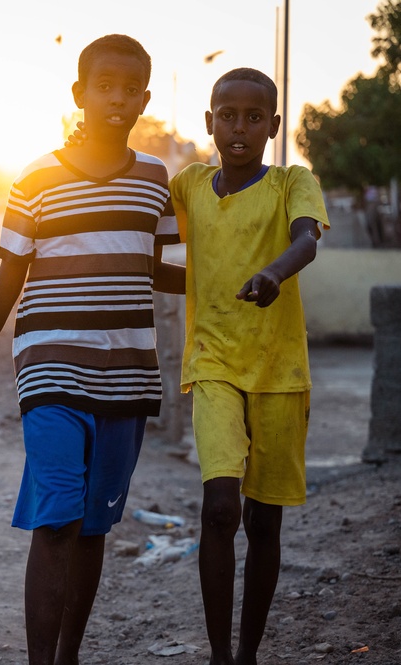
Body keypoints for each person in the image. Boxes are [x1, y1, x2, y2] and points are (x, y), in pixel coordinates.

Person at [0, 34, 184, 664]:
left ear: (145, 100)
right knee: (56, 521)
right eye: (105, 86)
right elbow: (7, 278)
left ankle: (68, 656)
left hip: (127, 374)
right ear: (80, 94)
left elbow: (173, 271)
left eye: (131, 89)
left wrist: (259, 259)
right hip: (49, 367)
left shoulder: (158, 182)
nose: (117, 98)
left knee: (94, 527)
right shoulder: (36, 177)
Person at [169, 68, 329, 665]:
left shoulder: (292, 182)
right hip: (213, 363)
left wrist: (273, 274)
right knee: (219, 508)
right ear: (209, 123)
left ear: (274, 126)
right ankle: (217, 655)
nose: (239, 127)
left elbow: (307, 240)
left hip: (280, 372)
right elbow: (165, 251)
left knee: (264, 523)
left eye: (253, 117)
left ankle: (247, 654)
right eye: (227, 115)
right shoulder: (187, 185)